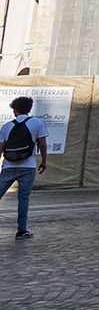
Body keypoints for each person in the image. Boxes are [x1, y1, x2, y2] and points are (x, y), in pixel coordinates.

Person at [1, 94, 49, 239]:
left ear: (15, 110)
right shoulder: (38, 123)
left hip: (9, 166)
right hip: (28, 166)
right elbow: (42, 144)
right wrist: (44, 161)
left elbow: (1, 147)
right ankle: (21, 230)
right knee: (23, 199)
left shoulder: (7, 126)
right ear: (29, 109)